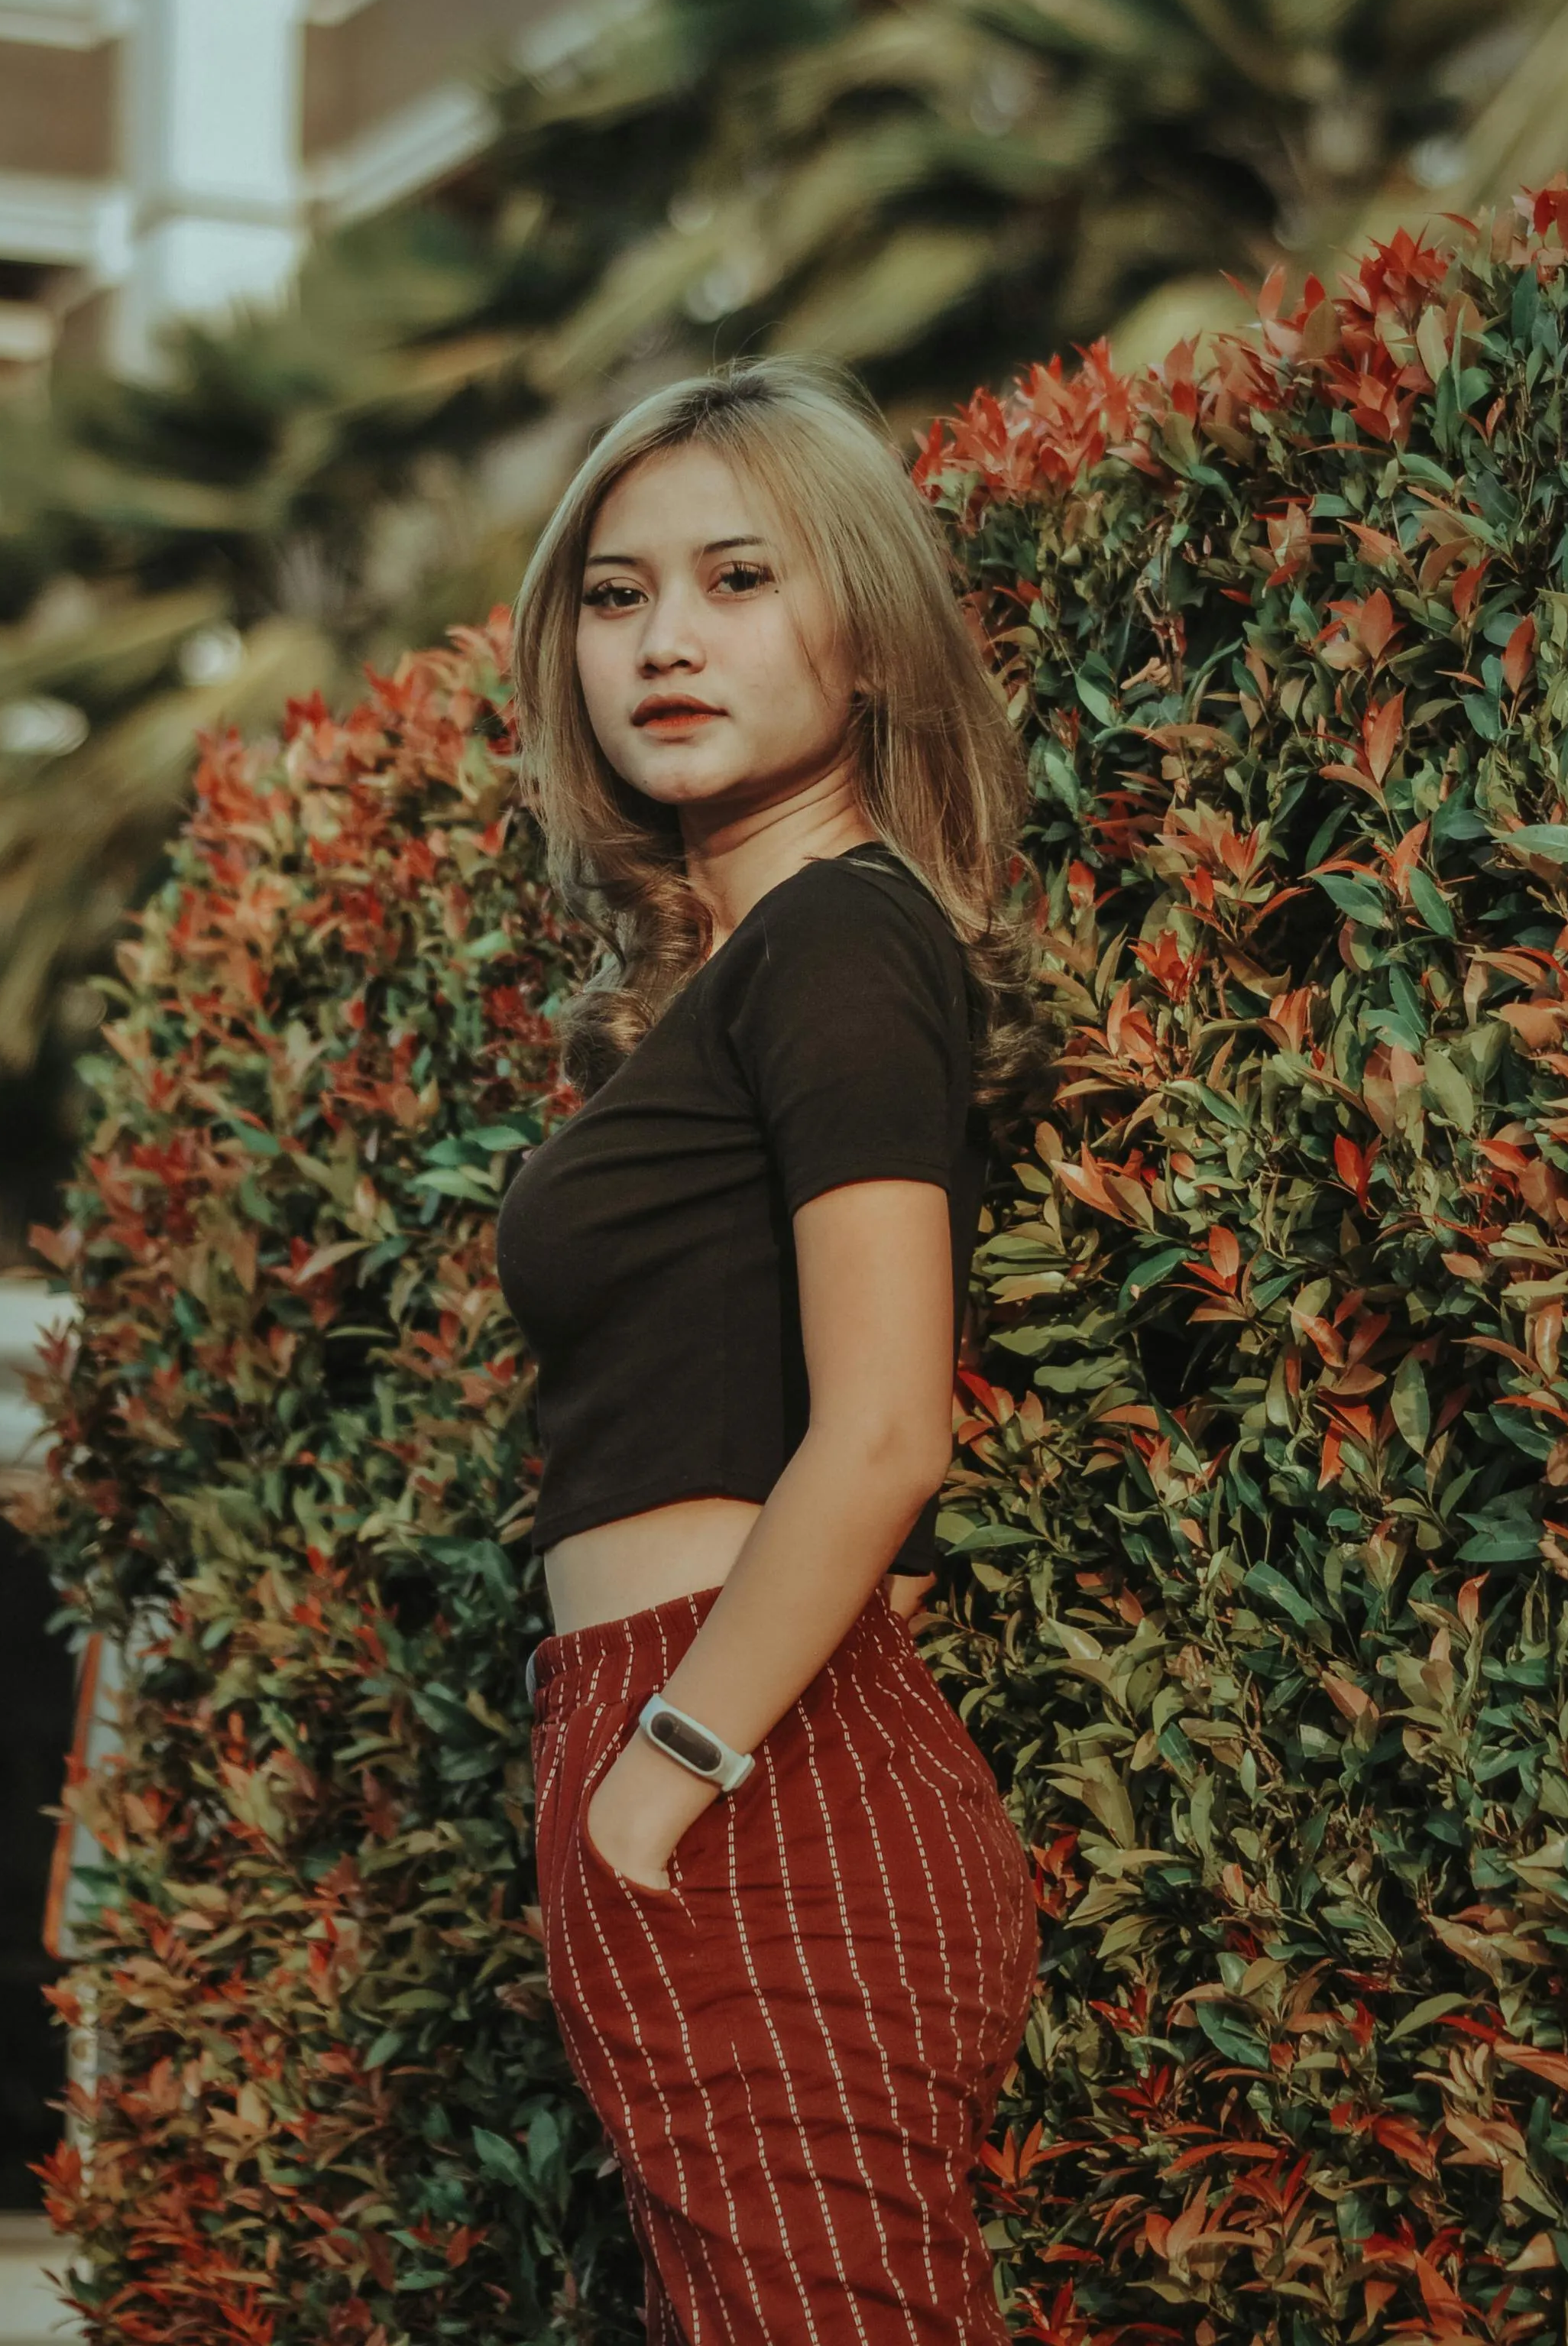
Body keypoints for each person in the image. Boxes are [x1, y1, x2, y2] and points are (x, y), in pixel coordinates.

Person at [498, 353, 1056, 2346]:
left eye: (739, 578)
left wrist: (663, 1768)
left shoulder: (837, 937)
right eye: (617, 592)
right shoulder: (756, 968)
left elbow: (889, 1429)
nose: (667, 639)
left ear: (870, 634)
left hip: (745, 1766)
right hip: (731, 1743)